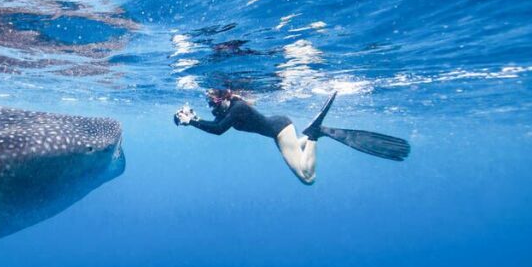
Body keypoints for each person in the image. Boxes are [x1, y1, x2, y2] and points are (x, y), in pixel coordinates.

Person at [174, 89, 410, 185]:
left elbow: (218, 130)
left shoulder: (238, 108)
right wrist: (193, 118)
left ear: (226, 97)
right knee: (295, 149)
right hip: (279, 130)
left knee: (308, 178)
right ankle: (313, 135)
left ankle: (314, 134)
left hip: (279, 130)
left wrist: (192, 121)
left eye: (214, 103)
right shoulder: (229, 109)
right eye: (211, 105)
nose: (213, 108)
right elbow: (214, 124)